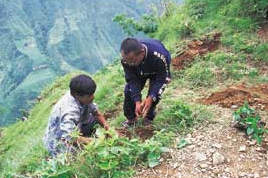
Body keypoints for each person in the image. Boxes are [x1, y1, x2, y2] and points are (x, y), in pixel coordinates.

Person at [43, 74, 109, 157]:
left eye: (93, 94)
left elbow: (96, 113)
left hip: (76, 126)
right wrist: (94, 141)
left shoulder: (82, 96)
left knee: (93, 120)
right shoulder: (69, 111)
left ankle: (85, 137)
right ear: (77, 96)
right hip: (59, 140)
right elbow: (69, 137)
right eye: (89, 95)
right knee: (77, 157)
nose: (93, 97)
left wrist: (108, 128)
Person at [120, 37, 171, 127]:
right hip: (139, 71)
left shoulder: (159, 56)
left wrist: (151, 97)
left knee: (155, 94)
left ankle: (148, 117)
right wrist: (137, 101)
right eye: (126, 60)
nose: (129, 63)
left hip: (157, 72)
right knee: (129, 91)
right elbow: (132, 80)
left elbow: (162, 78)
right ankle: (131, 119)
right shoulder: (126, 60)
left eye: (132, 60)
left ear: (142, 53)